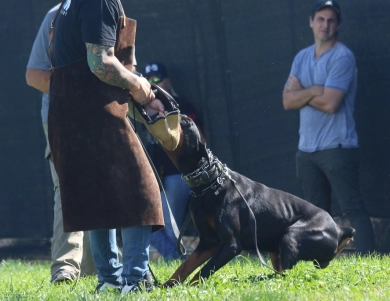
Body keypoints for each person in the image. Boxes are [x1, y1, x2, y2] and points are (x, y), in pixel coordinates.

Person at [48, 0, 165, 294]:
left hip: (70, 114)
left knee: (98, 194)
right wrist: (138, 85)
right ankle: (135, 280)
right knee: (140, 189)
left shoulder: (70, 3)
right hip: (95, 109)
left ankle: (109, 279)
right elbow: (100, 62)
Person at [282, 0, 375, 255]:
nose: (325, 25)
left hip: (338, 146)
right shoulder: (302, 57)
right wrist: (314, 90)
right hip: (307, 149)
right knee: (314, 212)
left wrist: (302, 91)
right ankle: (319, 261)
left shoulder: (342, 56)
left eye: (331, 20)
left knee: (352, 208)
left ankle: (369, 259)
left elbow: (332, 103)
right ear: (311, 22)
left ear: (338, 25)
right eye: (320, 19)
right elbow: (287, 101)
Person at [26, 3, 96, 283]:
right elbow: (34, 75)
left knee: (103, 187)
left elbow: (125, 67)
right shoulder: (55, 17)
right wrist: (80, 92)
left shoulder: (115, 13)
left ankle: (99, 269)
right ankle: (65, 268)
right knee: (69, 186)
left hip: (106, 118)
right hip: (61, 117)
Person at [143, 62, 203, 260]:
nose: (154, 84)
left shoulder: (181, 106)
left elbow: (199, 141)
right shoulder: (141, 110)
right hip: (151, 176)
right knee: (146, 224)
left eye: (157, 79)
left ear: (167, 80)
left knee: (170, 226)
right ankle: (178, 261)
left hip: (177, 173)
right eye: (149, 80)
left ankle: (178, 264)